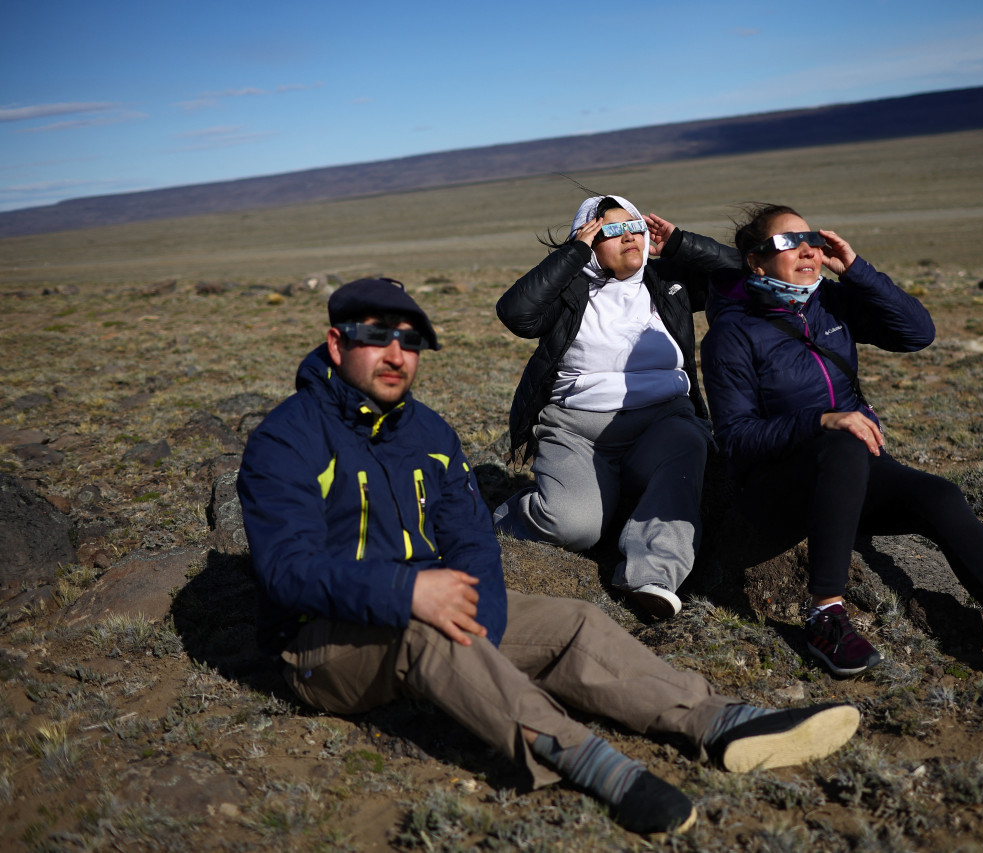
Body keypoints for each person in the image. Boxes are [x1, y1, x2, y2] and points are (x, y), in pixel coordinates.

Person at [236, 276, 863, 837]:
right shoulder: (287, 440)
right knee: (429, 633)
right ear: (337, 342)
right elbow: (286, 571)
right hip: (321, 646)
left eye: (411, 341)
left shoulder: (426, 432)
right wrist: (409, 594)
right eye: (378, 338)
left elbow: (471, 534)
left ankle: (715, 720)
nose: (397, 355)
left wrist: (481, 606)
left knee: (572, 623)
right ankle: (590, 762)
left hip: (428, 603)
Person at [699, 205, 983, 689]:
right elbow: (735, 439)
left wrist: (857, 270)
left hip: (848, 473)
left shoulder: (829, 304)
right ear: (756, 261)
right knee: (839, 444)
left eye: (812, 238)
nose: (807, 250)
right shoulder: (731, 335)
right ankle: (825, 618)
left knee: (939, 496)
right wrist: (821, 419)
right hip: (775, 490)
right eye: (788, 242)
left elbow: (917, 333)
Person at [492, 195, 738, 618]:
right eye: (610, 229)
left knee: (687, 445)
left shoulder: (668, 285)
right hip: (576, 429)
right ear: (586, 238)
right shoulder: (568, 292)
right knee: (575, 527)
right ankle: (505, 516)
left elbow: (743, 272)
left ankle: (652, 576)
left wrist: (682, 243)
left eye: (635, 226)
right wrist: (573, 256)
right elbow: (516, 314)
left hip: (663, 421)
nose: (628, 236)